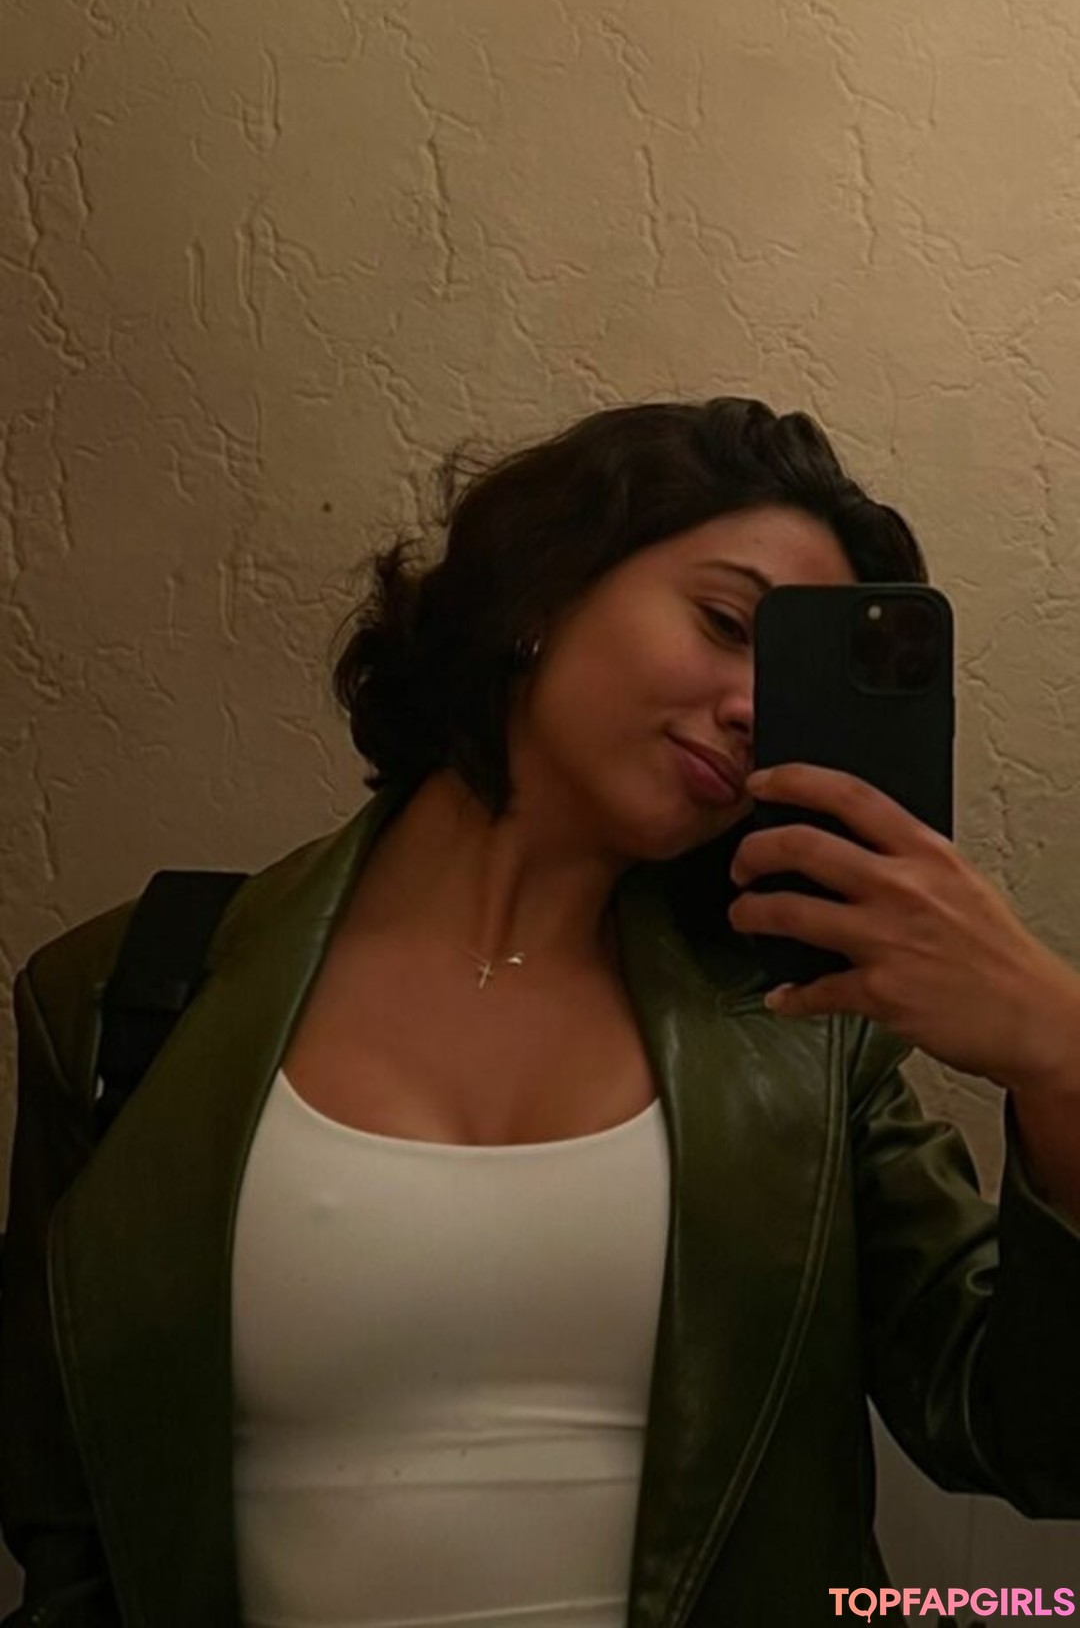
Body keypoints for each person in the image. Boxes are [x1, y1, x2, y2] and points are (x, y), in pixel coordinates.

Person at [1, 396, 1079, 1628]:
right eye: (726, 623)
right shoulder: (130, 995)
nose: (753, 705)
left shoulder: (803, 1030)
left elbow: (1038, 1436)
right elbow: (65, 1525)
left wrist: (1060, 1055)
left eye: (787, 678)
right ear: (541, 590)